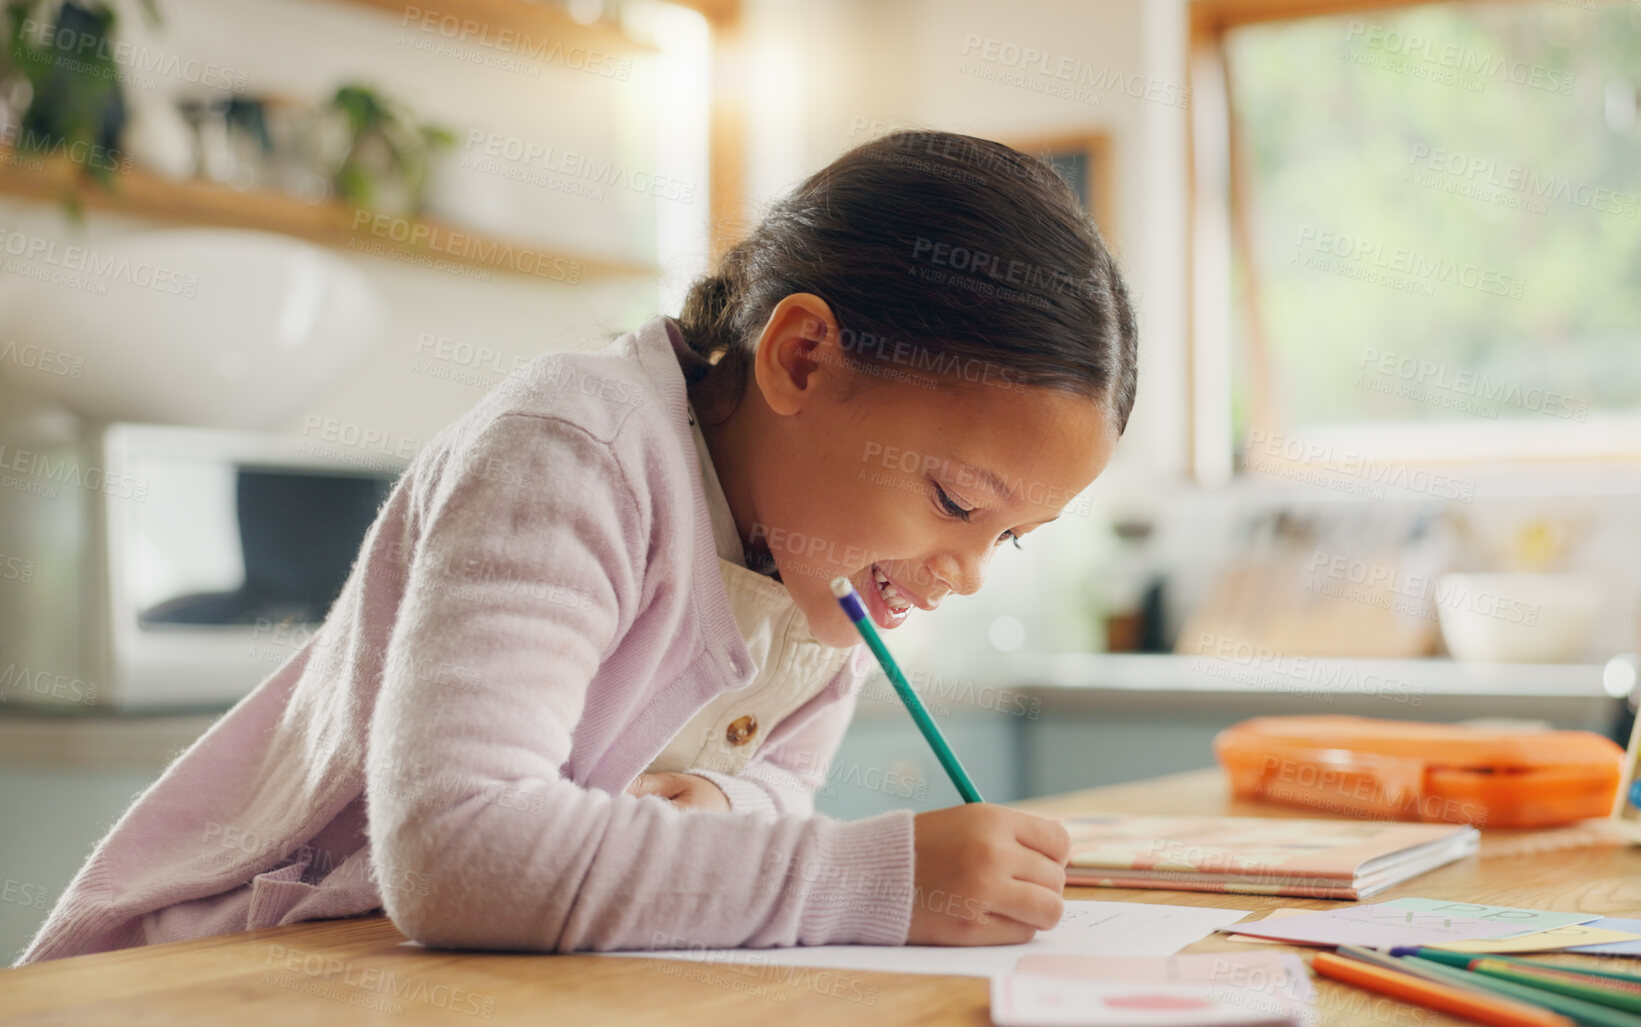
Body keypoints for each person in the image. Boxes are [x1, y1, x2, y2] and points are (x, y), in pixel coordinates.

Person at [17, 129, 1139, 963]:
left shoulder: (827, 578)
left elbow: (779, 798)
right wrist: (873, 879)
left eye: (1013, 539)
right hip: (224, 965)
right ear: (801, 359)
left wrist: (729, 813)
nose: (967, 573)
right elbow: (459, 849)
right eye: (953, 500)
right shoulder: (576, 448)